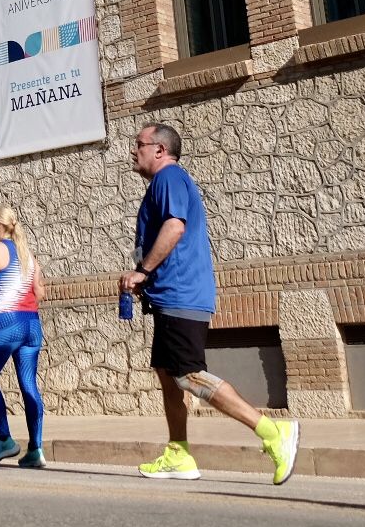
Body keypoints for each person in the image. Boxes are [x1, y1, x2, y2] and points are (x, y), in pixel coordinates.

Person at [122, 122, 299, 484]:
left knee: (187, 374)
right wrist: (148, 278)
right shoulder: (165, 183)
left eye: (138, 144)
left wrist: (143, 270)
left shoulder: (168, 178)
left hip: (180, 295)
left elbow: (175, 227)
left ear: (159, 149)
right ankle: (179, 454)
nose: (132, 150)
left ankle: (271, 432)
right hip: (171, 294)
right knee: (168, 376)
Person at [0, 206, 46, 468]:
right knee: (29, 385)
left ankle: (4, 439)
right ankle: (36, 449)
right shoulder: (28, 254)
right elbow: (39, 292)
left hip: (6, 323)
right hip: (32, 325)